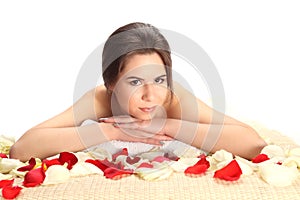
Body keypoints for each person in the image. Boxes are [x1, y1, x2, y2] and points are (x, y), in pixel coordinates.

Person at [9, 22, 266, 162]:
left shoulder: (173, 99)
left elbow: (254, 143)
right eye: (134, 82)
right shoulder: (99, 99)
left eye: (158, 79)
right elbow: (21, 149)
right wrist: (114, 130)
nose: (150, 95)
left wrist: (167, 125)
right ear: (111, 83)